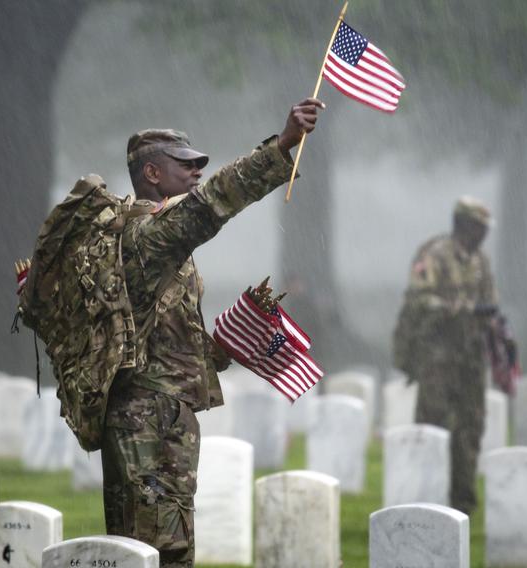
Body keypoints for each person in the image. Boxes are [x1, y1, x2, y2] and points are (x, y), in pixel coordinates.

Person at [101, 97, 323, 567]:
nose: (197, 169)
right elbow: (211, 203)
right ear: (152, 174)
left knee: (169, 542)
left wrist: (223, 344)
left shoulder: (163, 246)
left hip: (166, 412)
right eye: (184, 163)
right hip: (146, 418)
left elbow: (164, 337)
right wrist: (281, 145)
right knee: (154, 547)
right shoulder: (147, 235)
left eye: (200, 162)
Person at [392, 196, 498, 514]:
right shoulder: (434, 256)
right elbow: (418, 299)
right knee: (432, 425)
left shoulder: (481, 260)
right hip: (437, 354)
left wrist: (490, 321)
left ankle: (462, 502)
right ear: (464, 224)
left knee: (471, 426)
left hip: (470, 355)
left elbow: (491, 300)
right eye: (479, 227)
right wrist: (462, 310)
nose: (484, 233)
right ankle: (424, 497)